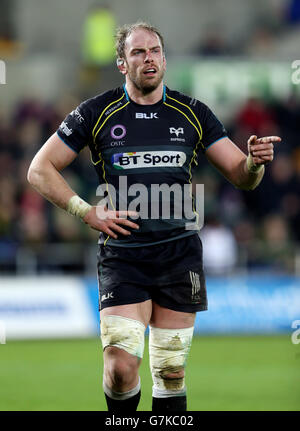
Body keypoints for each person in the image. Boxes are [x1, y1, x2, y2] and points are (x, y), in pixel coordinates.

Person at [27, 22, 281, 412]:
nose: (148, 58)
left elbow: (242, 176)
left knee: (171, 372)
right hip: (123, 255)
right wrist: (85, 211)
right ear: (121, 64)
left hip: (179, 255)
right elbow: (40, 169)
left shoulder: (193, 113)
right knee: (120, 368)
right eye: (138, 52)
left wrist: (254, 162)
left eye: (155, 51)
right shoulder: (96, 112)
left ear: (164, 58)